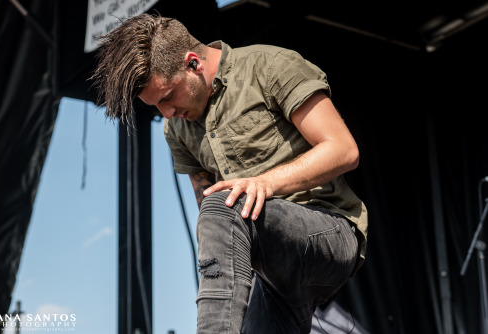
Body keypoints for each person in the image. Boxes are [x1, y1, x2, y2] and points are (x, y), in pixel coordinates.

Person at [92, 13, 368, 334]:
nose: (166, 113)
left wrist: (263, 183)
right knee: (218, 209)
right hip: (267, 271)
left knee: (226, 205)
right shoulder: (176, 129)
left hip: (329, 232)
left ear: (193, 62)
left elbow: (343, 149)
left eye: (168, 97)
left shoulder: (269, 66)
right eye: (155, 106)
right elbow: (211, 215)